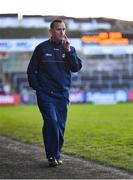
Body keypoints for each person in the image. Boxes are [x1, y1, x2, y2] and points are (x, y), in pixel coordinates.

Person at [27, 19, 82, 167]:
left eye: (64, 29)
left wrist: (69, 51)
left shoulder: (69, 49)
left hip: (62, 95)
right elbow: (31, 71)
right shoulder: (41, 48)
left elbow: (76, 67)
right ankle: (52, 156)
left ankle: (56, 153)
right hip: (45, 94)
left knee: (60, 126)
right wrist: (38, 88)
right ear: (51, 31)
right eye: (58, 29)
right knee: (51, 121)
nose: (62, 32)